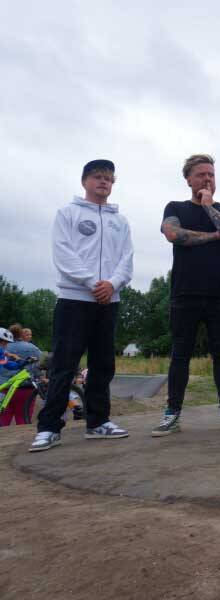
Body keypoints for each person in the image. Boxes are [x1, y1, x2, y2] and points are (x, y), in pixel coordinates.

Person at [29, 159, 134, 452]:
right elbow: (63, 254)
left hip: (109, 300)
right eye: (99, 177)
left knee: (103, 364)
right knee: (64, 365)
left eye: (109, 179)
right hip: (75, 299)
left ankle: (98, 422)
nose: (104, 182)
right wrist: (92, 282)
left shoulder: (120, 221)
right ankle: (49, 427)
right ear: (85, 181)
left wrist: (111, 284)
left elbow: (127, 260)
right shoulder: (68, 213)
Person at [152, 154, 220, 437]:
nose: (207, 179)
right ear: (188, 179)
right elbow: (173, 234)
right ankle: (172, 413)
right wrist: (214, 235)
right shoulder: (175, 207)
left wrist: (209, 208)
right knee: (180, 354)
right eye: (201, 175)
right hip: (185, 293)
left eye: (211, 175)